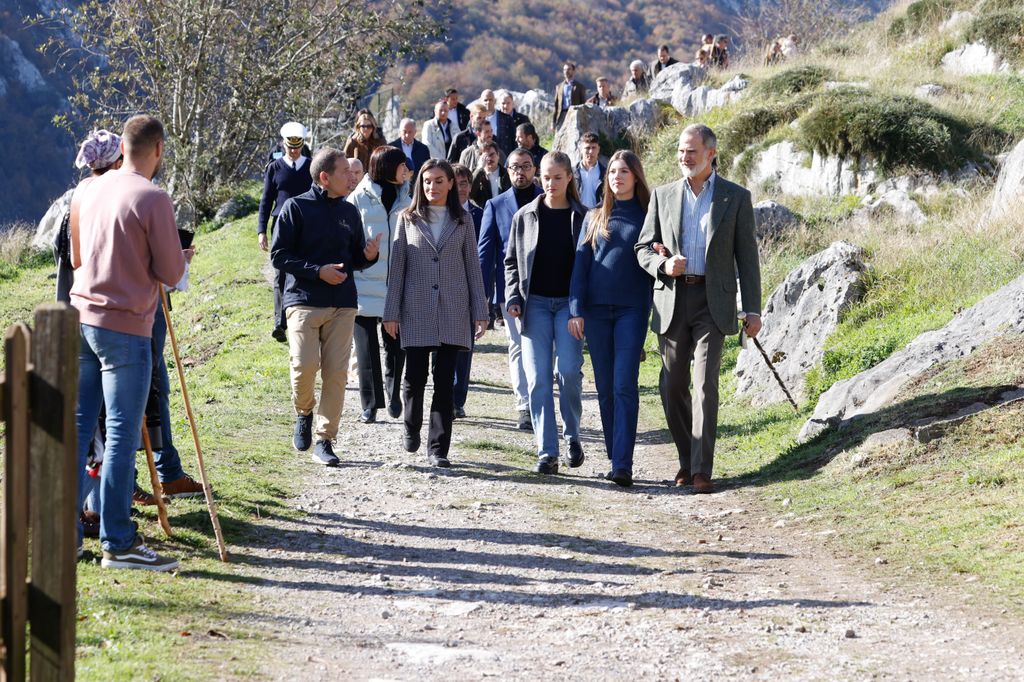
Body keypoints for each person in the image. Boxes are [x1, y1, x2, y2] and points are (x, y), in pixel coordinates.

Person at [72, 114, 187, 571]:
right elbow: (172, 273)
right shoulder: (153, 197)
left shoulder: (87, 189)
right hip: (126, 326)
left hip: (81, 319)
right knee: (120, 434)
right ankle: (117, 541)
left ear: (122, 146)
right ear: (157, 150)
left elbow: (80, 256)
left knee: (81, 431)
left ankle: (64, 534)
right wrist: (178, 255)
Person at [634, 124, 761, 494]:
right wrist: (662, 265)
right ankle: (687, 459)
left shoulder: (735, 198)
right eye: (680, 151)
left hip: (714, 302)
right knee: (672, 385)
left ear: (711, 153)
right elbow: (643, 248)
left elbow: (747, 258)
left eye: (691, 151)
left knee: (705, 384)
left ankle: (702, 469)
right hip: (672, 298)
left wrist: (752, 308)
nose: (684, 157)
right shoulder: (663, 195)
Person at [271, 148, 381, 467]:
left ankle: (325, 439)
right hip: (303, 301)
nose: (351, 177)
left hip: (343, 304)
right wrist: (317, 270)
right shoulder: (295, 208)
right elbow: (279, 255)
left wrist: (369, 255)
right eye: (345, 171)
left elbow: (356, 259)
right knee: (304, 367)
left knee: (336, 374)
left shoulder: (349, 212)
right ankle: (304, 412)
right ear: (325, 177)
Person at [383, 159, 488, 468]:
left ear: (451, 183)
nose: (432, 187)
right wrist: (391, 312)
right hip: (415, 308)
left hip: (454, 309)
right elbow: (397, 268)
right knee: (414, 377)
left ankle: (438, 449)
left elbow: (473, 267)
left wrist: (479, 310)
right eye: (427, 181)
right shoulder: (406, 218)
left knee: (444, 381)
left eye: (439, 181)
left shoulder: (464, 220)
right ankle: (411, 428)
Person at [568, 150, 652, 488]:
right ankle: (614, 453)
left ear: (636, 177)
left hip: (632, 311)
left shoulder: (650, 217)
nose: (617, 177)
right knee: (604, 389)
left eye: (624, 172)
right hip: (597, 313)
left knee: (623, 385)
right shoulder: (594, 217)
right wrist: (575, 309)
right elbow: (580, 267)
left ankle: (623, 463)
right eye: (612, 172)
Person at [504, 151, 587, 475]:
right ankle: (547, 452)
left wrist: (582, 308)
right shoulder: (524, 216)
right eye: (547, 177)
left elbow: (590, 266)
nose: (551, 183)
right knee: (538, 379)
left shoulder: (584, 217)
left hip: (569, 306)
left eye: (557, 177)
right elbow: (511, 262)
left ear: (569, 178)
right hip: (535, 304)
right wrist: (514, 296)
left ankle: (573, 436)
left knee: (568, 374)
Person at [478, 148, 542, 431]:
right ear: (507, 170)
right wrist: (482, 294)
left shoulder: (548, 198)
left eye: (526, 166)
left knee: (544, 348)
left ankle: (542, 398)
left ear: (534, 169)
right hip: (511, 288)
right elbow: (486, 252)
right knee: (517, 345)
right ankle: (524, 406)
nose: (521, 172)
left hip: (548, 286)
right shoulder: (496, 205)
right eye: (515, 167)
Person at [348, 146, 412, 424]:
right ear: (386, 167)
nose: (407, 171)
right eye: (402, 166)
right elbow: (348, 241)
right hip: (362, 283)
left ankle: (393, 391)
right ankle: (370, 403)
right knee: (366, 349)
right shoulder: (357, 199)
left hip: (396, 285)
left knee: (396, 346)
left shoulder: (408, 197)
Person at [258, 121, 313, 342]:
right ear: (284, 145)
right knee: (280, 273)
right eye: (290, 147)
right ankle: (279, 323)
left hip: (306, 224)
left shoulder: (310, 167)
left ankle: (301, 318)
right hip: (280, 223)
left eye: (297, 147)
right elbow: (266, 200)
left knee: (303, 271)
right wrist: (261, 230)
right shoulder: (274, 167)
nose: (293, 151)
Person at [56, 129, 124, 303]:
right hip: (116, 301)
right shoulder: (118, 198)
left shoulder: (79, 195)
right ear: (118, 164)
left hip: (81, 297)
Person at [452, 163, 485, 418]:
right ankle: (444, 392)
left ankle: (457, 398)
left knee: (465, 347)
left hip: (470, 289)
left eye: (465, 183)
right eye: (457, 183)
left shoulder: (480, 213)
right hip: (442, 288)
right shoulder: (437, 213)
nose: (461, 188)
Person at [469, 141, 510, 207]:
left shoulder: (507, 174)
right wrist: (479, 169)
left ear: (498, 155)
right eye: (485, 156)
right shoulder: (476, 175)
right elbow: (470, 193)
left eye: (492, 155)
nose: (489, 159)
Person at [574, 133, 605, 210]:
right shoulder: (571, 173)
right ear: (581, 149)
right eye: (587, 148)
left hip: (597, 215)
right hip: (577, 215)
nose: (590, 151)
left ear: (598, 149)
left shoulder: (605, 173)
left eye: (594, 148)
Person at [552, 61, 587, 132]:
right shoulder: (559, 87)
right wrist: (553, 122)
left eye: (568, 69)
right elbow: (556, 106)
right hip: (562, 115)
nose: (566, 71)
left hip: (574, 114)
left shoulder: (579, 87)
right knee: (559, 134)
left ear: (573, 71)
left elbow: (583, 104)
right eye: (564, 70)